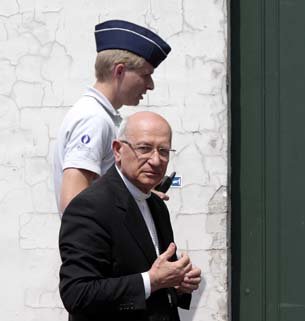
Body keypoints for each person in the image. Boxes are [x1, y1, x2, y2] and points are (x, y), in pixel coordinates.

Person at [59, 111, 201, 321]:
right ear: (118, 150)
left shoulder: (156, 205)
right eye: (144, 148)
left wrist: (178, 283)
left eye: (163, 151)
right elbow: (77, 294)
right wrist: (151, 281)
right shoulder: (90, 207)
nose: (156, 160)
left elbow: (159, 278)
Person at [54, 19, 171, 213]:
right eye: (145, 75)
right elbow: (74, 204)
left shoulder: (98, 115)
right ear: (120, 71)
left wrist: (141, 197)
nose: (150, 85)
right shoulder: (94, 119)